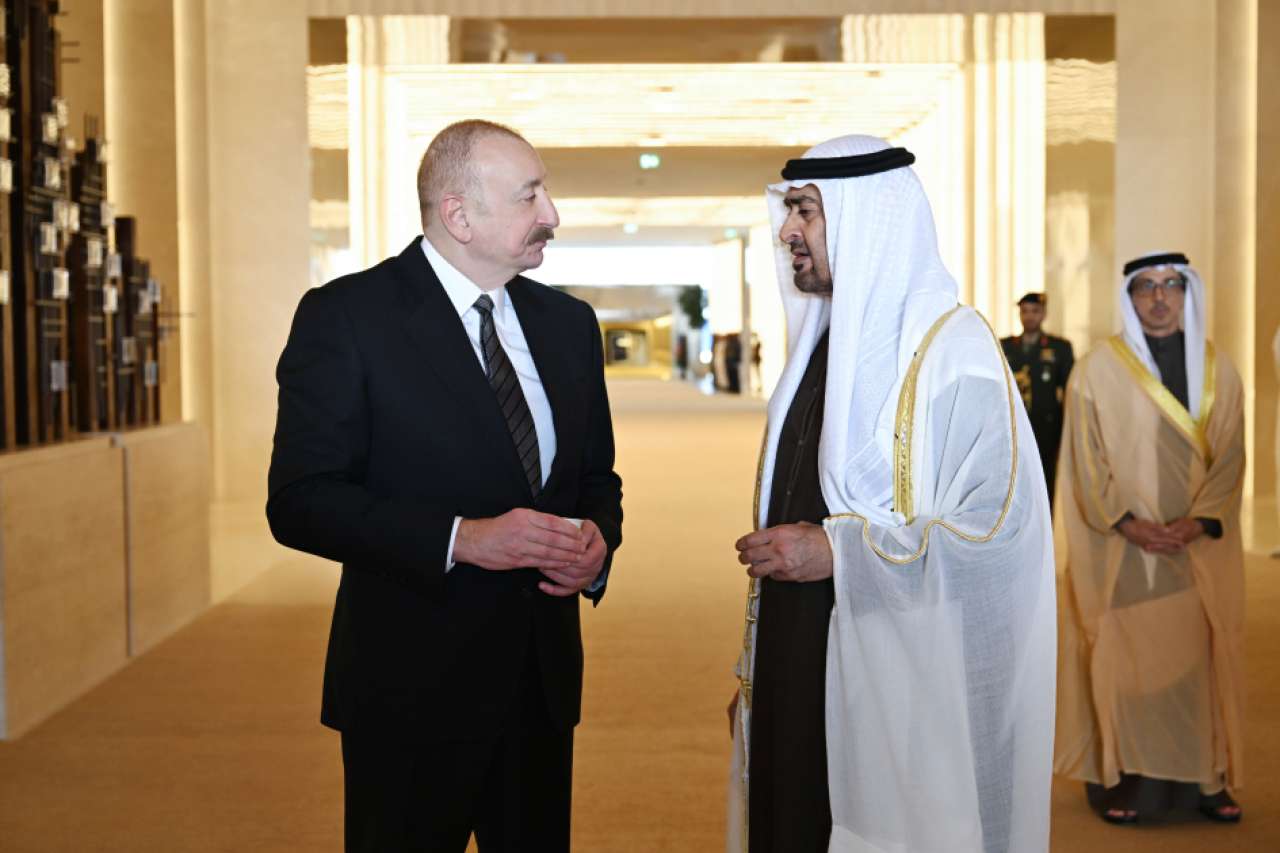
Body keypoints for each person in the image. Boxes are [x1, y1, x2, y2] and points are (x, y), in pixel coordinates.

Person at [266, 119, 624, 852]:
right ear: (459, 215)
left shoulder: (569, 325)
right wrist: (463, 538)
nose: (552, 214)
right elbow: (301, 499)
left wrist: (598, 544)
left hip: (540, 688)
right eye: (530, 195)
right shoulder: (347, 317)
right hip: (409, 690)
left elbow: (595, 477)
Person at [726, 136, 1056, 853]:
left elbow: (998, 530)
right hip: (794, 651)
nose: (788, 232)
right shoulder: (822, 344)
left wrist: (841, 552)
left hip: (899, 677)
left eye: (806, 211)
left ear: (865, 218)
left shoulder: (954, 351)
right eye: (790, 211)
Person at [1055, 251, 1245, 825]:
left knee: (1197, 660)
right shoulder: (1095, 370)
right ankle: (1125, 780)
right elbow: (1084, 460)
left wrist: (1200, 520)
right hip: (1124, 547)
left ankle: (1207, 778)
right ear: (1130, 298)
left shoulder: (1218, 370)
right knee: (1127, 660)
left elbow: (1231, 454)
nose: (1160, 298)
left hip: (1194, 546)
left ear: (1187, 293)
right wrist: (1126, 521)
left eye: (1171, 286)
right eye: (1146, 287)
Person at [1001, 293, 1074, 505]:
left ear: (1043, 314)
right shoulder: (1006, 346)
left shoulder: (1059, 348)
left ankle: (1045, 521)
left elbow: (1069, 389)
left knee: (1045, 478)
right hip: (1012, 426)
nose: (1029, 316)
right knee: (1012, 478)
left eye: (1035, 311)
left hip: (1046, 428)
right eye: (1024, 311)